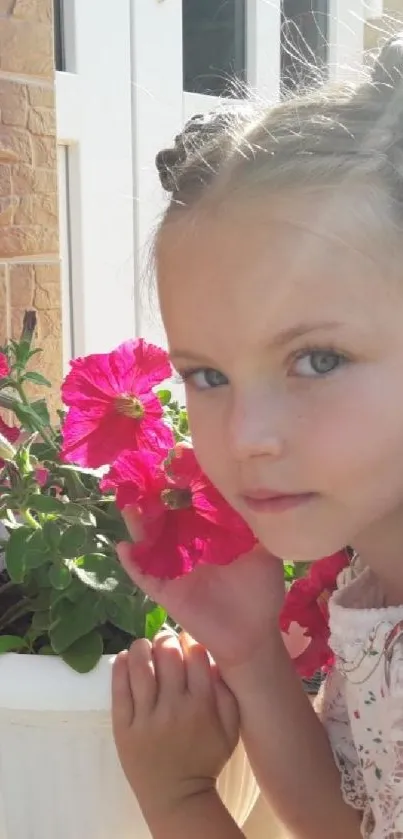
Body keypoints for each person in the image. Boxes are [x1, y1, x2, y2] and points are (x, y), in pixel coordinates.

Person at [111, 33, 403, 839]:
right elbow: (355, 819)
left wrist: (181, 804)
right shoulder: (379, 575)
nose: (246, 434)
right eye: (206, 375)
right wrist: (249, 652)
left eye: (316, 357)